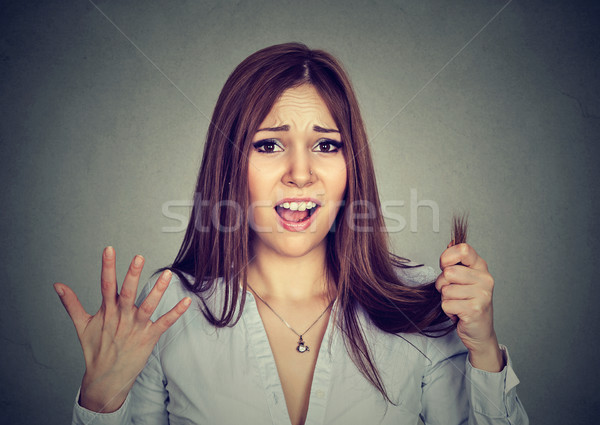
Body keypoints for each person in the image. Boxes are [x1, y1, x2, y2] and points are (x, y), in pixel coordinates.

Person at [55, 42, 528, 425]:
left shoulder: (421, 306)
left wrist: (484, 350)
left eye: (325, 144)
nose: (300, 173)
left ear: (351, 165)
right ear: (230, 165)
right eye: (268, 144)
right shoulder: (166, 314)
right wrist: (100, 399)